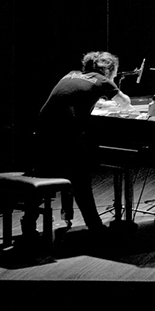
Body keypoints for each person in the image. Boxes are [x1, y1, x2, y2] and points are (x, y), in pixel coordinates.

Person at [23, 50, 132, 239]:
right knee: (81, 181)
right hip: (65, 140)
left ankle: (28, 222)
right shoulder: (103, 80)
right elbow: (125, 102)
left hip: (41, 138)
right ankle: (96, 228)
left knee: (45, 172)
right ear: (110, 70)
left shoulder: (70, 75)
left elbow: (74, 98)